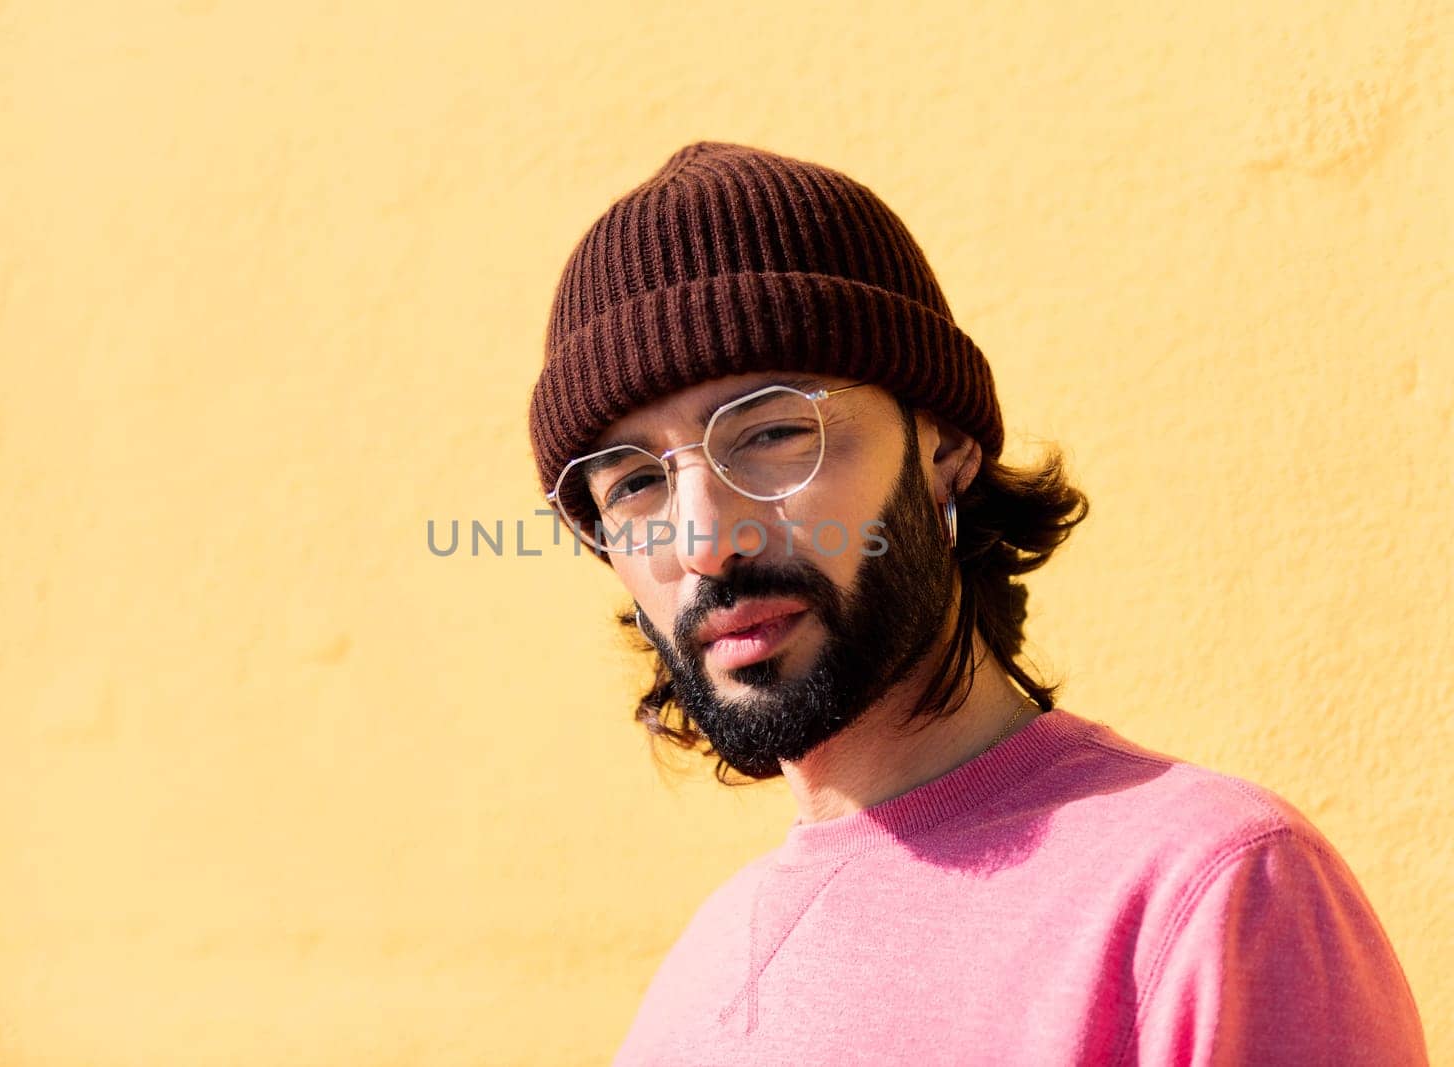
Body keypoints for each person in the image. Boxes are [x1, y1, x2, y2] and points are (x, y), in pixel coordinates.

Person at [526, 141, 1428, 1065]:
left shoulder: (1210, 894)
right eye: (633, 483)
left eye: (772, 432)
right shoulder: (697, 978)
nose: (704, 538)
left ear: (946, 447)